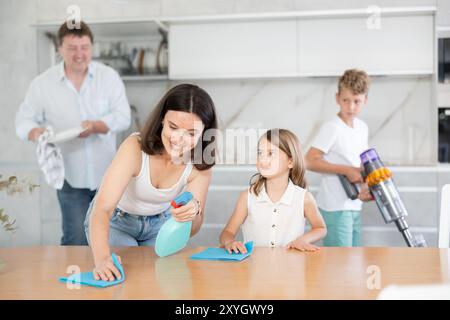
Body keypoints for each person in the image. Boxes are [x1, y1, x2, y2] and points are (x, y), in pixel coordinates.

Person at [85, 84, 218, 281]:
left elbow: (194, 228)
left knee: (159, 278)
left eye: (191, 133)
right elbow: (102, 208)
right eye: (173, 127)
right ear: (162, 119)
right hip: (117, 222)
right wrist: (103, 259)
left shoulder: (200, 164)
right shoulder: (135, 148)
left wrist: (193, 211)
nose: (179, 139)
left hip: (160, 225)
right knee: (124, 276)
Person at [15, 21, 131, 245]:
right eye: (72, 48)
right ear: (60, 49)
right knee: (75, 241)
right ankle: (76, 279)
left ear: (92, 47)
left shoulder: (109, 78)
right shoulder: (42, 84)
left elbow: (123, 116)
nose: (80, 54)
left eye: (85, 47)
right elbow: (22, 120)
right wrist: (35, 132)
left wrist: (97, 125)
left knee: (112, 239)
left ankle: (111, 279)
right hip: (69, 177)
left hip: (109, 177)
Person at [219, 129, 326, 254]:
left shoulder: (304, 197)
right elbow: (227, 233)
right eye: (260, 153)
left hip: (291, 269)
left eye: (271, 153)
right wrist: (229, 242)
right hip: (254, 269)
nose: (263, 159)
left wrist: (303, 240)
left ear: (290, 162)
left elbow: (320, 228)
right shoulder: (247, 197)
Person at [305, 69, 373, 247]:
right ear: (337, 99)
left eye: (356, 101)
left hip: (355, 204)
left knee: (355, 262)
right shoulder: (332, 127)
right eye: (345, 100)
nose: (351, 107)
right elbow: (309, 160)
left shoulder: (362, 128)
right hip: (335, 207)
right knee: (340, 266)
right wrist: (346, 170)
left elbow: (359, 164)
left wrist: (365, 188)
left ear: (365, 100)